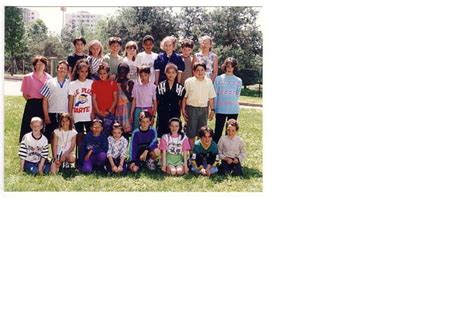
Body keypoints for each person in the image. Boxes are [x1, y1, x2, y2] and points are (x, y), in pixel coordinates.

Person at [182, 61, 216, 148]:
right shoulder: (189, 81)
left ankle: (199, 152)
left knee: (202, 132)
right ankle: (191, 152)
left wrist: (212, 110)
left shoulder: (208, 82)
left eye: (202, 70)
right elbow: (184, 98)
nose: (200, 72)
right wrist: (183, 110)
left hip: (204, 109)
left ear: (205, 71)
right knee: (191, 133)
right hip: (191, 109)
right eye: (197, 70)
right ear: (193, 71)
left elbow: (211, 97)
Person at [19, 55, 52, 143]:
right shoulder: (27, 77)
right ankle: (27, 145)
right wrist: (32, 102)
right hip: (31, 104)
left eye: (42, 64)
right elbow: (24, 94)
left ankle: (41, 147)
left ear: (45, 66)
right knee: (29, 125)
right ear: (34, 65)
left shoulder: (49, 78)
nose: (40, 66)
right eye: (38, 64)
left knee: (42, 126)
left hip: (44, 104)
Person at [213, 57, 243, 143]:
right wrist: (214, 108)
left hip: (233, 110)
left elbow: (237, 95)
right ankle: (216, 152)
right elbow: (215, 94)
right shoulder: (218, 79)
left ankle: (227, 150)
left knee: (230, 132)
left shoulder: (238, 80)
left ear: (234, 68)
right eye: (228, 66)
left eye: (232, 66)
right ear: (225, 67)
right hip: (220, 109)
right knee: (218, 132)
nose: (229, 68)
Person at [41, 60, 70, 143]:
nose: (62, 70)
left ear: (67, 71)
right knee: (52, 136)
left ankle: (61, 155)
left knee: (63, 137)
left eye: (65, 68)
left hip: (64, 114)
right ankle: (53, 155)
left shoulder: (69, 83)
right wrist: (46, 116)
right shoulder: (49, 82)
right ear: (57, 69)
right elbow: (45, 100)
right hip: (52, 113)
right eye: (61, 68)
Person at [68, 59, 93, 153]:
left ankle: (90, 157)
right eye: (82, 71)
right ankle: (80, 157)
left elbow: (93, 100)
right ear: (78, 71)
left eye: (86, 71)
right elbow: (70, 100)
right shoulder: (73, 84)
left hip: (88, 115)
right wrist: (70, 115)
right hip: (77, 115)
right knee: (79, 136)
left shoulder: (91, 83)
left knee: (90, 136)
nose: (84, 74)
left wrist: (93, 112)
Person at [156, 63, 186, 137]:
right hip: (163, 113)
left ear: (176, 74)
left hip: (174, 113)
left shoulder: (180, 88)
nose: (171, 75)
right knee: (162, 134)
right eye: (168, 72)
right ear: (165, 73)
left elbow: (180, 102)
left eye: (173, 72)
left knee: (173, 133)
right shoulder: (160, 86)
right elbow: (158, 101)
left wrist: (183, 112)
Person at [92, 63, 118, 135]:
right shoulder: (95, 83)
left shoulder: (113, 83)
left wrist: (109, 111)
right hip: (98, 113)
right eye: (100, 73)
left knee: (108, 134)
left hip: (109, 114)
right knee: (98, 134)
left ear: (108, 73)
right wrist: (98, 111)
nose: (102, 75)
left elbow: (115, 99)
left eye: (104, 73)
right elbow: (94, 99)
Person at [130, 65, 157, 131]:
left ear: (149, 75)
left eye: (145, 75)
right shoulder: (136, 85)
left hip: (148, 109)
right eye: (141, 75)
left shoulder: (153, 87)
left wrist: (153, 116)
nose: (143, 77)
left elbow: (155, 102)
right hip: (138, 109)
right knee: (137, 129)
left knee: (147, 129)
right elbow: (134, 100)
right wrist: (131, 113)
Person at [115, 62, 134, 139]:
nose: (122, 72)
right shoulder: (116, 81)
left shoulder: (130, 82)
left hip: (126, 108)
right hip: (117, 107)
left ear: (127, 71)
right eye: (120, 70)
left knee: (126, 130)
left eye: (124, 70)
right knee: (118, 128)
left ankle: (125, 146)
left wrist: (125, 90)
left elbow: (132, 99)